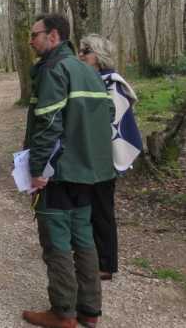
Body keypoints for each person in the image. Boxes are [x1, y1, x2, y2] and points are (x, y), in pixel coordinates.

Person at [22, 14, 116, 328]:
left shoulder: (54, 69)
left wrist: (36, 169)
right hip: (89, 172)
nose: (31, 40)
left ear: (54, 36)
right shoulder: (88, 71)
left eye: (35, 34)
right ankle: (90, 310)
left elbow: (48, 123)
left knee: (57, 241)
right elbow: (106, 117)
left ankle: (63, 313)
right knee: (84, 238)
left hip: (59, 172)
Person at [79, 34, 142, 281]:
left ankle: (106, 264)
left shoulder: (111, 84)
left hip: (104, 158)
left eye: (87, 51)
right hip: (89, 156)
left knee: (102, 209)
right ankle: (90, 256)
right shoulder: (92, 81)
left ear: (99, 57)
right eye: (82, 50)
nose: (81, 55)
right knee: (88, 207)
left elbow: (114, 126)